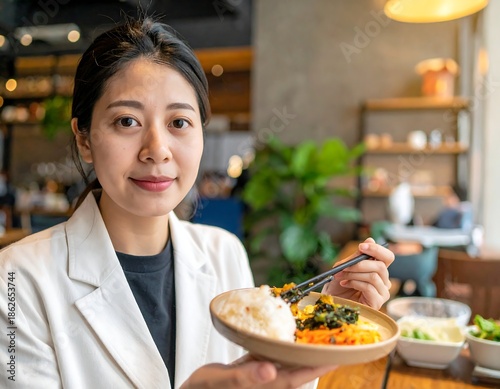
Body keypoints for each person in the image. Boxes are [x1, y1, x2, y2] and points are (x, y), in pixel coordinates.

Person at [0, 17, 394, 389]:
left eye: (179, 123)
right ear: (84, 139)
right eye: (126, 121)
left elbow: (264, 380)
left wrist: (319, 327)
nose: (157, 150)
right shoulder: (18, 278)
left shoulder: (224, 253)